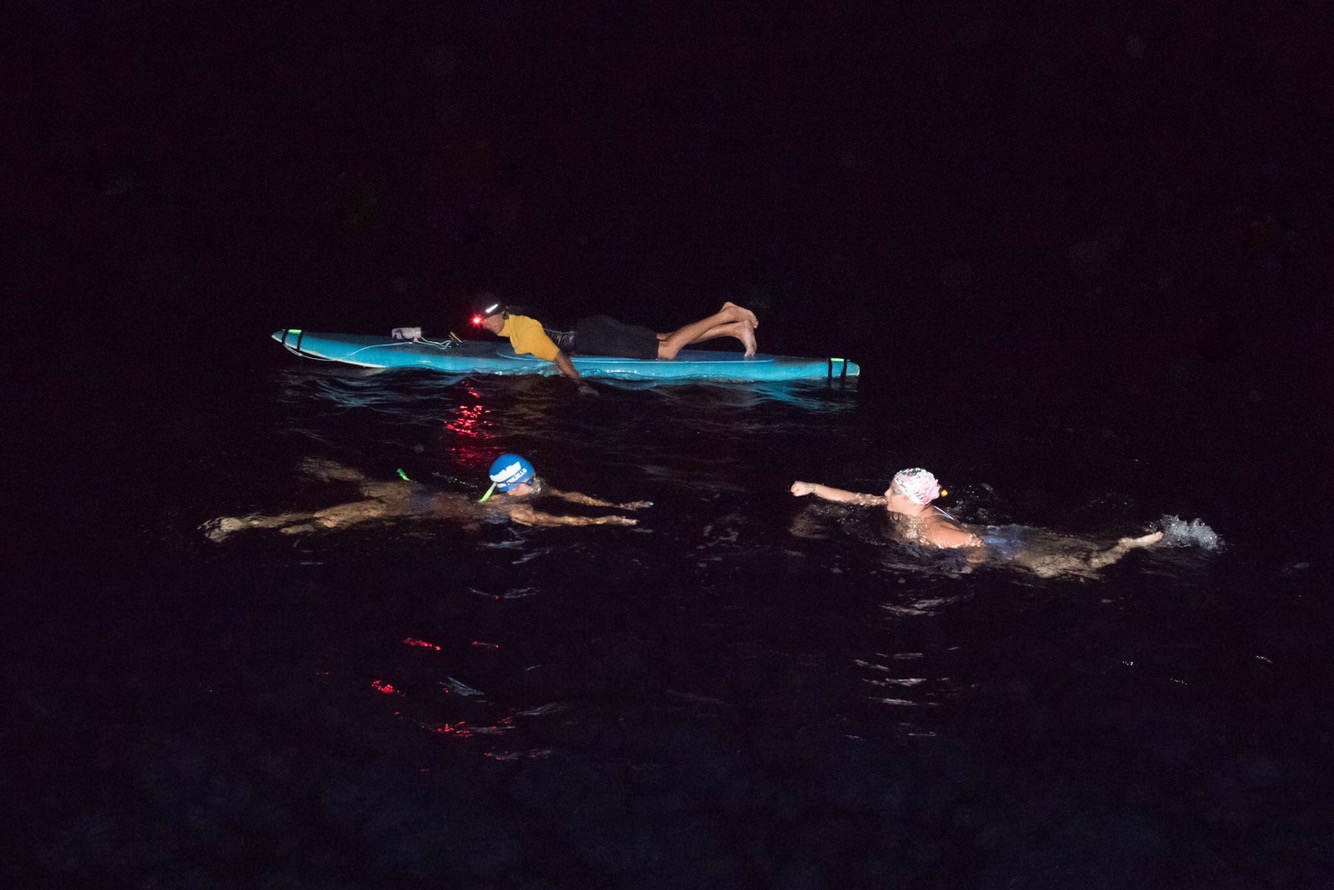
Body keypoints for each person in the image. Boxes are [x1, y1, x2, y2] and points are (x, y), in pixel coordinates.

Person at [789, 468, 1164, 578]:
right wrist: (814, 487)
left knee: (1083, 567)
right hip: (1002, 534)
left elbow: (975, 544)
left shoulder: (933, 530)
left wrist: (968, 568)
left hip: (1007, 548)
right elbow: (856, 497)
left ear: (913, 500)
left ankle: (1126, 545)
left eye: (892, 491)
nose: (884, 494)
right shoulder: (902, 507)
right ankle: (1120, 539)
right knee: (1079, 545)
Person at [201, 454, 649, 542]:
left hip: (419, 494)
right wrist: (607, 523)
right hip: (408, 503)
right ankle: (245, 524)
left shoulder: (531, 488)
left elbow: (569, 497)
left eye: (532, 478)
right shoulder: (516, 510)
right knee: (330, 517)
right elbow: (563, 521)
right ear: (512, 486)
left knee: (360, 487)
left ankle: (315, 466)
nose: (534, 483)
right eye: (527, 480)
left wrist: (616, 506)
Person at [469, 294, 760, 387]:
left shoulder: (525, 332)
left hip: (596, 337)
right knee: (668, 337)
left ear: (502, 313)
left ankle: (727, 314)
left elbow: (560, 357)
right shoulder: (515, 315)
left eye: (490, 319)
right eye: (484, 322)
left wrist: (580, 386)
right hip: (594, 325)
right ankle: (735, 329)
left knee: (668, 351)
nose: (488, 325)